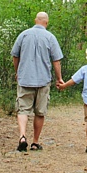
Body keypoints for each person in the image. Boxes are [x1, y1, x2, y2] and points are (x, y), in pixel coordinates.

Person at [11, 11, 64, 152]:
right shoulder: (50, 37)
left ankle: (22, 136)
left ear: (35, 20)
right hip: (43, 80)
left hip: (25, 79)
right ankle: (35, 142)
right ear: (46, 22)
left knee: (23, 109)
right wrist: (59, 79)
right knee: (40, 112)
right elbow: (56, 61)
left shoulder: (23, 35)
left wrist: (18, 72)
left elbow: (15, 56)